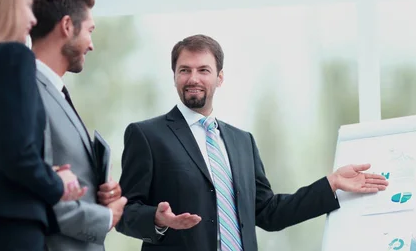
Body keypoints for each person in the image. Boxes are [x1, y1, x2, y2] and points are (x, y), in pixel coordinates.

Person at [116, 34, 389, 251]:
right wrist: (158, 219)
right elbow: (126, 212)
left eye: (204, 70)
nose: (193, 79)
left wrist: (330, 184)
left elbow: (268, 212)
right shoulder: (147, 136)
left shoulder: (241, 141)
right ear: (174, 76)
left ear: (219, 77)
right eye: (184, 70)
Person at [29, 0, 127, 250]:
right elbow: (33, 187)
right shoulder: (29, 91)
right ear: (67, 25)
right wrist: (106, 216)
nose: (92, 44)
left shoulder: (54, 91)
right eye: (90, 31)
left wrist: (99, 193)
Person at [0, 0, 86, 250]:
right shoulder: (14, 56)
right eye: (26, 5)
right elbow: (17, 155)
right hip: (13, 228)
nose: (32, 19)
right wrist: (58, 182)